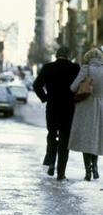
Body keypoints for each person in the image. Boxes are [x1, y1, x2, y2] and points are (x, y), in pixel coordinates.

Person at [33, 47, 80, 180]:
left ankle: (51, 162)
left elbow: (37, 85)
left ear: (57, 55)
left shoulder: (48, 67)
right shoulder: (75, 68)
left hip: (53, 107)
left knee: (52, 134)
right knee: (65, 138)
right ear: (69, 55)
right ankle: (61, 172)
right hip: (69, 108)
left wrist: (45, 97)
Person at [68, 48, 103, 181]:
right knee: (96, 137)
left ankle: (87, 170)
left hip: (86, 107)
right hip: (101, 107)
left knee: (86, 139)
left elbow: (73, 87)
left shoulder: (86, 68)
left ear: (88, 57)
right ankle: (95, 167)